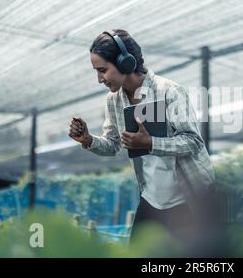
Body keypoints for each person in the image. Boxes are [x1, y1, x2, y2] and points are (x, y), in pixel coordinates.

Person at [68, 29, 216, 249]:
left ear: (125, 63)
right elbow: (112, 144)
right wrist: (88, 139)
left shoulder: (169, 92)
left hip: (189, 199)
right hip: (151, 200)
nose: (99, 79)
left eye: (102, 70)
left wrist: (150, 143)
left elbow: (193, 142)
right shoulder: (114, 101)